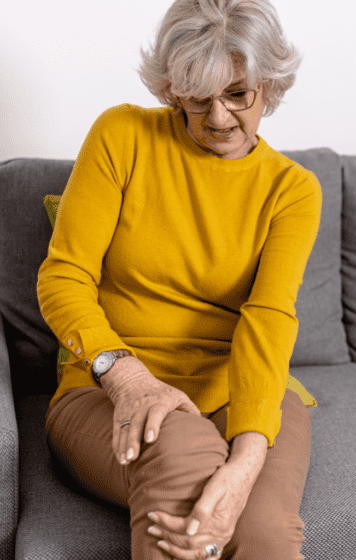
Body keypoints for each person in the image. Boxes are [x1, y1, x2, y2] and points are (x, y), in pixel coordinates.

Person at [37, 0, 320, 558]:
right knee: (183, 461)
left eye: (238, 94)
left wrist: (243, 464)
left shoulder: (293, 190)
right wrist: (126, 378)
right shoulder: (122, 136)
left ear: (271, 85)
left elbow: (267, 322)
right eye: (198, 99)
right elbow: (63, 277)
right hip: (104, 389)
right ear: (172, 90)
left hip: (243, 391)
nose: (218, 119)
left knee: (261, 528)